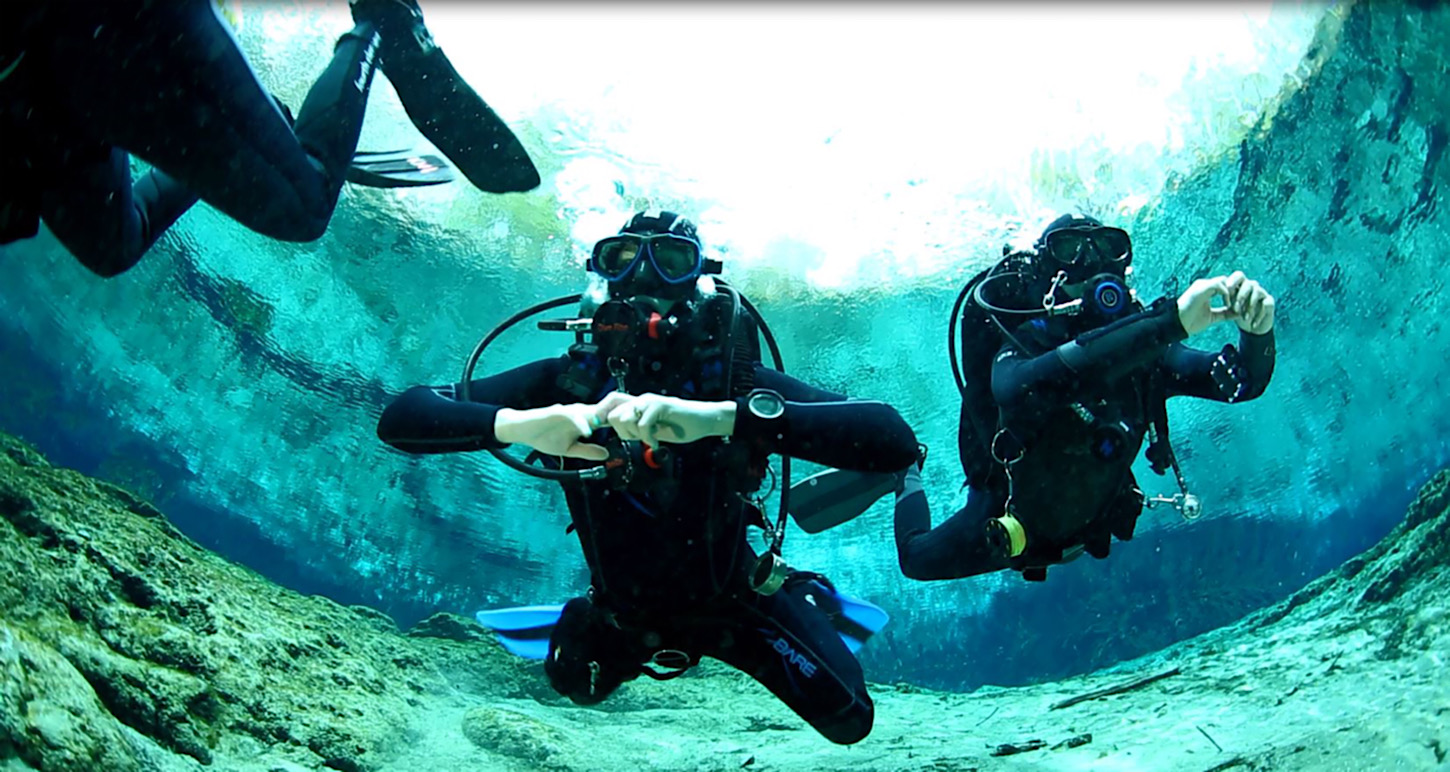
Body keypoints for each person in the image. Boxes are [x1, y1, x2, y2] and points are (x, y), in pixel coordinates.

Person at [376, 211, 919, 744]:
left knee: (849, 719)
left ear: (700, 282)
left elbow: (891, 437)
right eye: (622, 257)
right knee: (574, 687)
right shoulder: (567, 384)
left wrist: (724, 416)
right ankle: (587, 615)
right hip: (621, 613)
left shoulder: (732, 383)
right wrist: (521, 424)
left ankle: (800, 590)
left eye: (671, 260)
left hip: (733, 603)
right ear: (600, 273)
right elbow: (403, 417)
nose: (643, 278)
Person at [0, 0, 538, 278]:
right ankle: (263, 141)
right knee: (109, 246)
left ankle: (381, 23)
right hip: (37, 99)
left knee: (302, 205)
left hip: (99, 32)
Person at [894, 214, 1277, 583]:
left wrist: (1257, 332)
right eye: (1070, 248)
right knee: (914, 558)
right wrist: (1168, 323)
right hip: (1005, 517)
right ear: (1048, 274)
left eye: (1109, 247)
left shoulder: (1148, 356)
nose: (1092, 262)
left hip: (1095, 518)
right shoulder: (1028, 342)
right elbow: (1020, 389)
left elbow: (1240, 384)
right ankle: (905, 463)